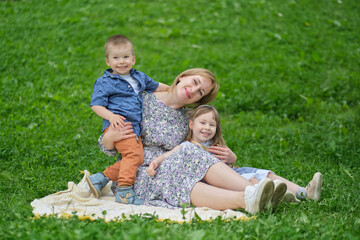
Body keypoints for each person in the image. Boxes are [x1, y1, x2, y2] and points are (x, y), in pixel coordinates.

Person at [90, 68, 283, 215]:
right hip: (138, 172)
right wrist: (109, 138)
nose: (194, 90)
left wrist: (230, 157)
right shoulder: (140, 100)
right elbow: (108, 146)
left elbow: (202, 150)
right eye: (195, 82)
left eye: (200, 92)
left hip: (173, 166)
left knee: (188, 156)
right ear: (182, 77)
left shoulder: (188, 119)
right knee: (182, 168)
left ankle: (254, 195)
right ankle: (249, 197)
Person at [88, 34, 169, 205]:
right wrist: (110, 116)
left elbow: (156, 86)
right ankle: (124, 191)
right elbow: (96, 105)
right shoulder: (104, 82)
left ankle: (100, 178)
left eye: (125, 57)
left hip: (134, 128)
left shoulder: (139, 77)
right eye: (116, 58)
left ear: (133, 59)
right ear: (107, 61)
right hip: (119, 125)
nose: (121, 62)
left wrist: (172, 89)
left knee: (137, 159)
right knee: (133, 155)